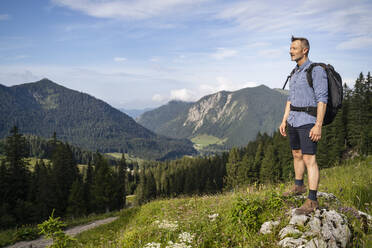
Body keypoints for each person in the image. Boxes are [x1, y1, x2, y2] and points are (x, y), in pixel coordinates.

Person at [279, 36, 328, 215]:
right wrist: (284, 120)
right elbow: (290, 99)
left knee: (309, 159)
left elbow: (322, 99)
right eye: (290, 48)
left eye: (294, 48)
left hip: (308, 120)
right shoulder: (294, 72)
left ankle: (313, 200)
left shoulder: (315, 70)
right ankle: (298, 187)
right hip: (293, 120)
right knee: (296, 154)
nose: (290, 51)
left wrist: (318, 125)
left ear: (304, 50)